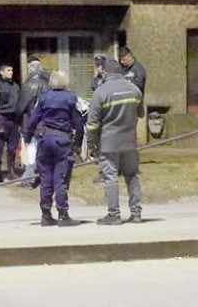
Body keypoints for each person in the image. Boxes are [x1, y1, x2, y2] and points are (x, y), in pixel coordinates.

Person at [85, 59, 144, 225]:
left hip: (108, 142)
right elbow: (140, 114)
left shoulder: (101, 92)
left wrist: (91, 144)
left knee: (110, 177)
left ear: (104, 72)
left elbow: (92, 124)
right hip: (130, 142)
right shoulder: (135, 89)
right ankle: (136, 213)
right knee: (132, 176)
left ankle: (114, 214)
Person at [25, 70, 84, 227]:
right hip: (62, 140)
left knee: (46, 178)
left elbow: (33, 119)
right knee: (61, 178)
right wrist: (78, 143)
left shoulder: (43, 98)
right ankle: (63, 214)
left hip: (45, 139)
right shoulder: (71, 99)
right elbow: (78, 122)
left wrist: (27, 137)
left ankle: (45, 214)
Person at [15, 56, 51, 188]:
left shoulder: (29, 84)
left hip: (31, 121)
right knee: (44, 152)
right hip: (47, 122)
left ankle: (28, 180)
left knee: (30, 150)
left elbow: (20, 107)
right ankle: (46, 180)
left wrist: (17, 120)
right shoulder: (49, 82)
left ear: (30, 68)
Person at [0, 63, 20, 183]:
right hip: (1, 118)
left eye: (12, 70)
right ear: (1, 72)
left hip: (13, 119)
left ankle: (11, 169)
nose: (11, 72)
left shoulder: (15, 86)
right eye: (8, 70)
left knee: (12, 147)